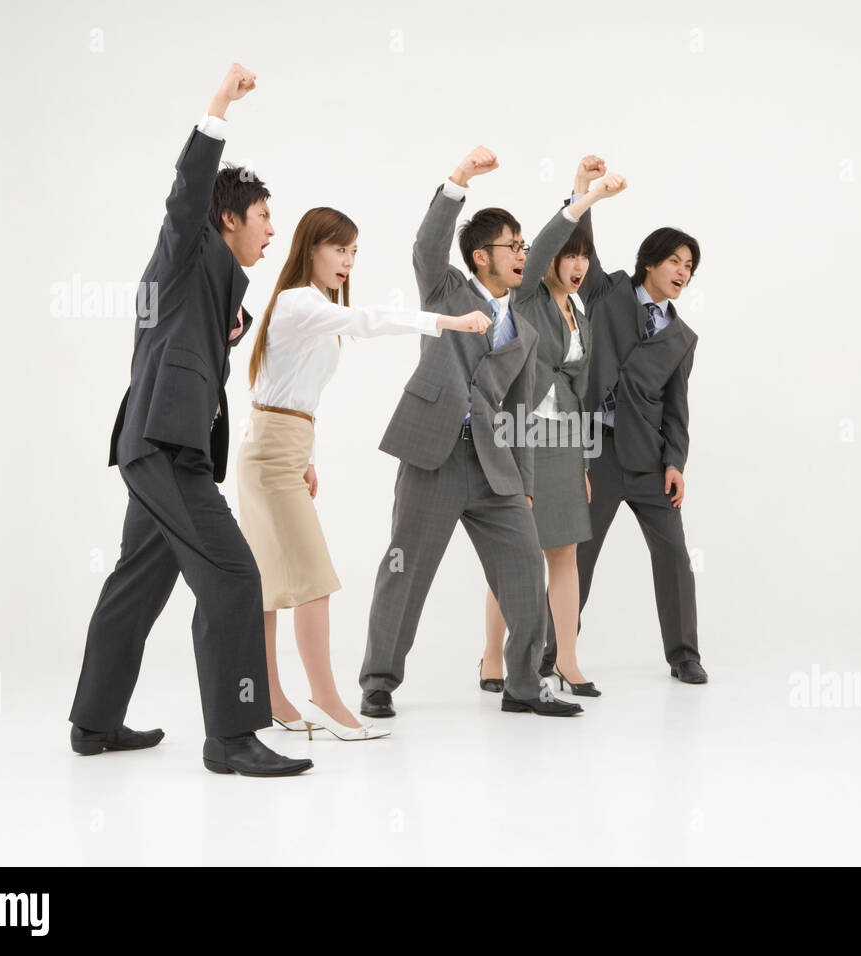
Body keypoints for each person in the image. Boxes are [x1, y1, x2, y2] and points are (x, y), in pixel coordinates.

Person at [69, 64, 311, 777]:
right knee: (235, 577)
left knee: (139, 581)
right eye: (264, 216)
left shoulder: (213, 288)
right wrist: (219, 107)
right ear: (229, 218)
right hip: (164, 448)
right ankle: (232, 738)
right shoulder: (187, 250)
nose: (273, 229)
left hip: (166, 449)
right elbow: (186, 198)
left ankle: (94, 722)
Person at [238, 206, 490, 740]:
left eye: (354, 252)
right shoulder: (299, 301)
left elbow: (289, 389)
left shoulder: (310, 307)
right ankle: (326, 700)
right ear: (311, 248)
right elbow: (368, 320)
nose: (347, 262)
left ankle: (270, 697)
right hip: (268, 455)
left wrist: (306, 457)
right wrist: (446, 321)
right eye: (339, 249)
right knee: (311, 580)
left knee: (271, 583)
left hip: (279, 448)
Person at [357, 146, 584, 719]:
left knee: (526, 573)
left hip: (494, 467)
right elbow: (426, 246)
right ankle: (379, 681)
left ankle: (524, 686)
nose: (523, 254)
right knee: (405, 568)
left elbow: (520, 414)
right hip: (432, 455)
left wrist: (526, 483)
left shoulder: (525, 332)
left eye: (525, 246)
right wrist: (458, 181)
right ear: (482, 256)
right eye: (515, 245)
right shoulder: (445, 292)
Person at [479, 155, 627, 698]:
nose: (576, 265)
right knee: (513, 555)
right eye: (568, 256)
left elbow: (582, 391)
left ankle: (566, 658)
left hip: (565, 445)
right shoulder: (527, 298)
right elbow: (545, 241)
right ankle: (492, 657)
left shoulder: (581, 316)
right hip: (520, 437)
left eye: (582, 257)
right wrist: (581, 193)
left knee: (564, 554)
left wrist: (586, 461)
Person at [542, 207, 705, 684]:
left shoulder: (682, 338)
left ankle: (684, 655)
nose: (683, 272)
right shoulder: (607, 290)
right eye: (675, 261)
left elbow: (678, 409)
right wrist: (583, 195)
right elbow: (580, 251)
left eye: (690, 267)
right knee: (578, 557)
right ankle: (551, 652)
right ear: (650, 262)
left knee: (675, 557)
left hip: (650, 462)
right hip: (597, 453)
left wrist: (675, 462)